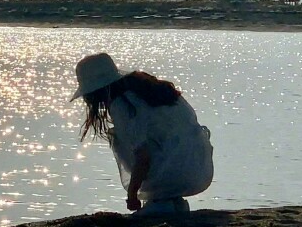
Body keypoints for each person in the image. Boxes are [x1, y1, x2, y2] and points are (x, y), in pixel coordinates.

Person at [71, 53, 213, 215]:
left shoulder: (122, 104)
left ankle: (160, 201)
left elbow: (143, 156)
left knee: (119, 138)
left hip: (174, 174)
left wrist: (132, 194)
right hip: (199, 167)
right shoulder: (152, 90)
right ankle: (172, 201)